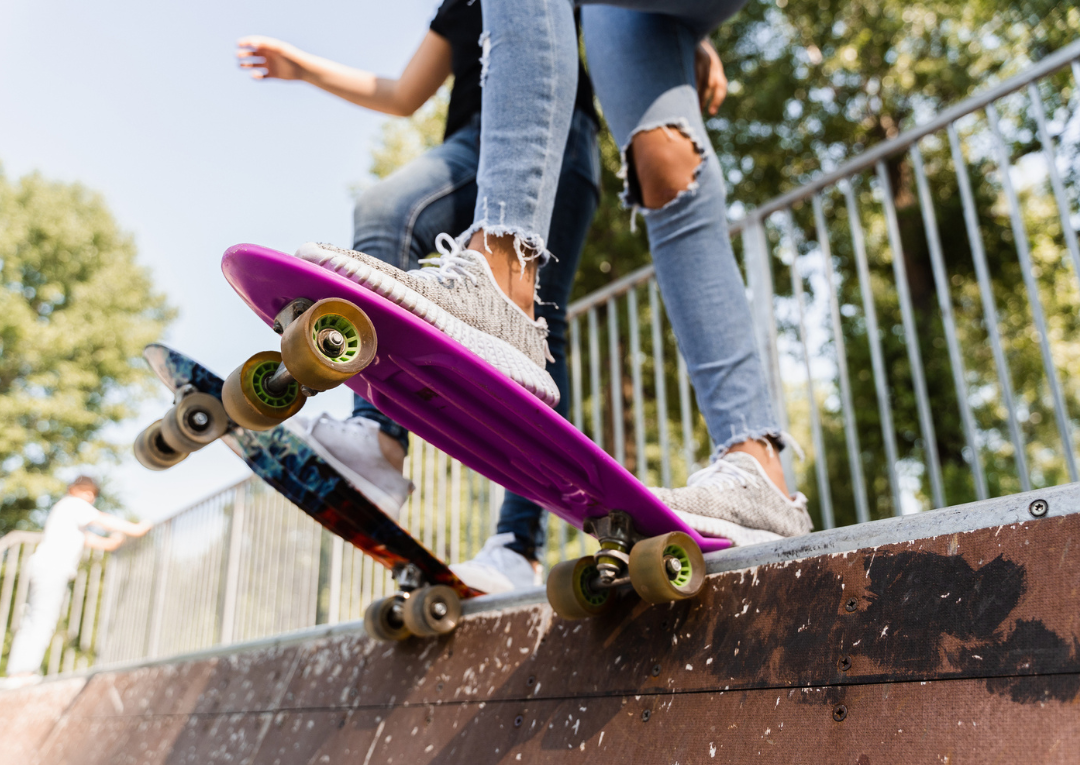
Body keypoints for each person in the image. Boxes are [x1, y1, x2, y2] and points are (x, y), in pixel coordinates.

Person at [288, 0, 813, 546]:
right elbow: (403, 91)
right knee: (668, 166)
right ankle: (757, 470)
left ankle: (497, 283)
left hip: (556, 144)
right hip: (621, 22)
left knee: (543, 320)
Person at [237, 0, 603, 592]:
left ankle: (517, 543)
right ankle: (377, 440)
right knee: (386, 209)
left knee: (536, 325)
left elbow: (628, 25)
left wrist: (684, 47)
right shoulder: (460, 5)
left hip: (560, 132)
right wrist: (303, 68)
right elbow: (406, 93)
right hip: (476, 138)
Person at [3, 477, 150, 686]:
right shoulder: (73, 504)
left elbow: (94, 541)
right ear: (80, 492)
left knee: (32, 618)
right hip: (52, 568)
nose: (90, 499)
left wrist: (113, 542)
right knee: (43, 618)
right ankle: (24, 673)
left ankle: (16, 672)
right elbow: (103, 520)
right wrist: (137, 528)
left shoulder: (64, 513)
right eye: (88, 494)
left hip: (42, 565)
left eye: (92, 496)